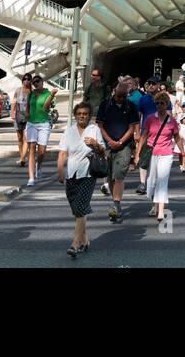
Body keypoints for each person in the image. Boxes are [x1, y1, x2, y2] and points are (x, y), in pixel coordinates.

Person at [57, 101, 102, 258]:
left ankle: (75, 244)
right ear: (75, 115)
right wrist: (60, 170)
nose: (82, 116)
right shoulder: (68, 132)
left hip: (88, 173)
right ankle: (85, 240)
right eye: (79, 114)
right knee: (77, 210)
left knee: (81, 206)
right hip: (71, 173)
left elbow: (103, 152)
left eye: (85, 114)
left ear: (89, 116)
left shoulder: (94, 130)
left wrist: (95, 144)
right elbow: (62, 153)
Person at [136, 91, 185, 222]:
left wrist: (183, 154)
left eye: (161, 103)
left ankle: (161, 210)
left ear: (166, 104)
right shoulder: (150, 119)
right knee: (151, 182)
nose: (159, 105)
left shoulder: (172, 121)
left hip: (166, 154)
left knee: (162, 181)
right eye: (157, 103)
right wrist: (137, 154)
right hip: (152, 153)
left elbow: (177, 137)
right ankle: (154, 204)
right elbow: (143, 137)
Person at [97, 78, 139, 222]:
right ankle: (116, 204)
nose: (120, 99)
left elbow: (132, 127)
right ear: (114, 92)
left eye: (123, 96)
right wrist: (109, 141)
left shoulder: (131, 106)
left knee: (119, 174)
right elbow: (100, 125)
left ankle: (116, 205)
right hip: (107, 144)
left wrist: (120, 142)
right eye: (118, 96)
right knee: (110, 176)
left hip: (125, 145)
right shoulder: (105, 105)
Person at [24, 74, 57, 187]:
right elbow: (28, 105)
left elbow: (45, 108)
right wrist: (27, 112)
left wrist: (52, 95)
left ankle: (39, 165)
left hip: (43, 123)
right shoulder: (31, 94)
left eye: (37, 81)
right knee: (31, 149)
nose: (35, 83)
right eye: (34, 82)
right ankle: (31, 178)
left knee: (42, 151)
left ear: (42, 82)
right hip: (31, 123)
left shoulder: (48, 94)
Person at [134, 81, 158, 196]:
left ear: (158, 85)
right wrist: (137, 132)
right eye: (149, 84)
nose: (151, 86)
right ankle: (142, 183)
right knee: (144, 157)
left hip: (160, 133)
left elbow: (169, 114)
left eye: (154, 84)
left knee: (156, 158)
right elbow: (138, 116)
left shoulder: (163, 98)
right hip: (145, 131)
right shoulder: (143, 99)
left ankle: (153, 182)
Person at [11, 74, 32, 167]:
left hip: (28, 118)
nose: (26, 81)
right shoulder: (18, 90)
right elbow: (14, 101)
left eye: (28, 79)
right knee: (19, 138)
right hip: (18, 116)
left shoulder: (32, 92)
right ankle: (22, 156)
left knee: (26, 138)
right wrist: (12, 112)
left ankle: (23, 158)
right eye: (24, 79)